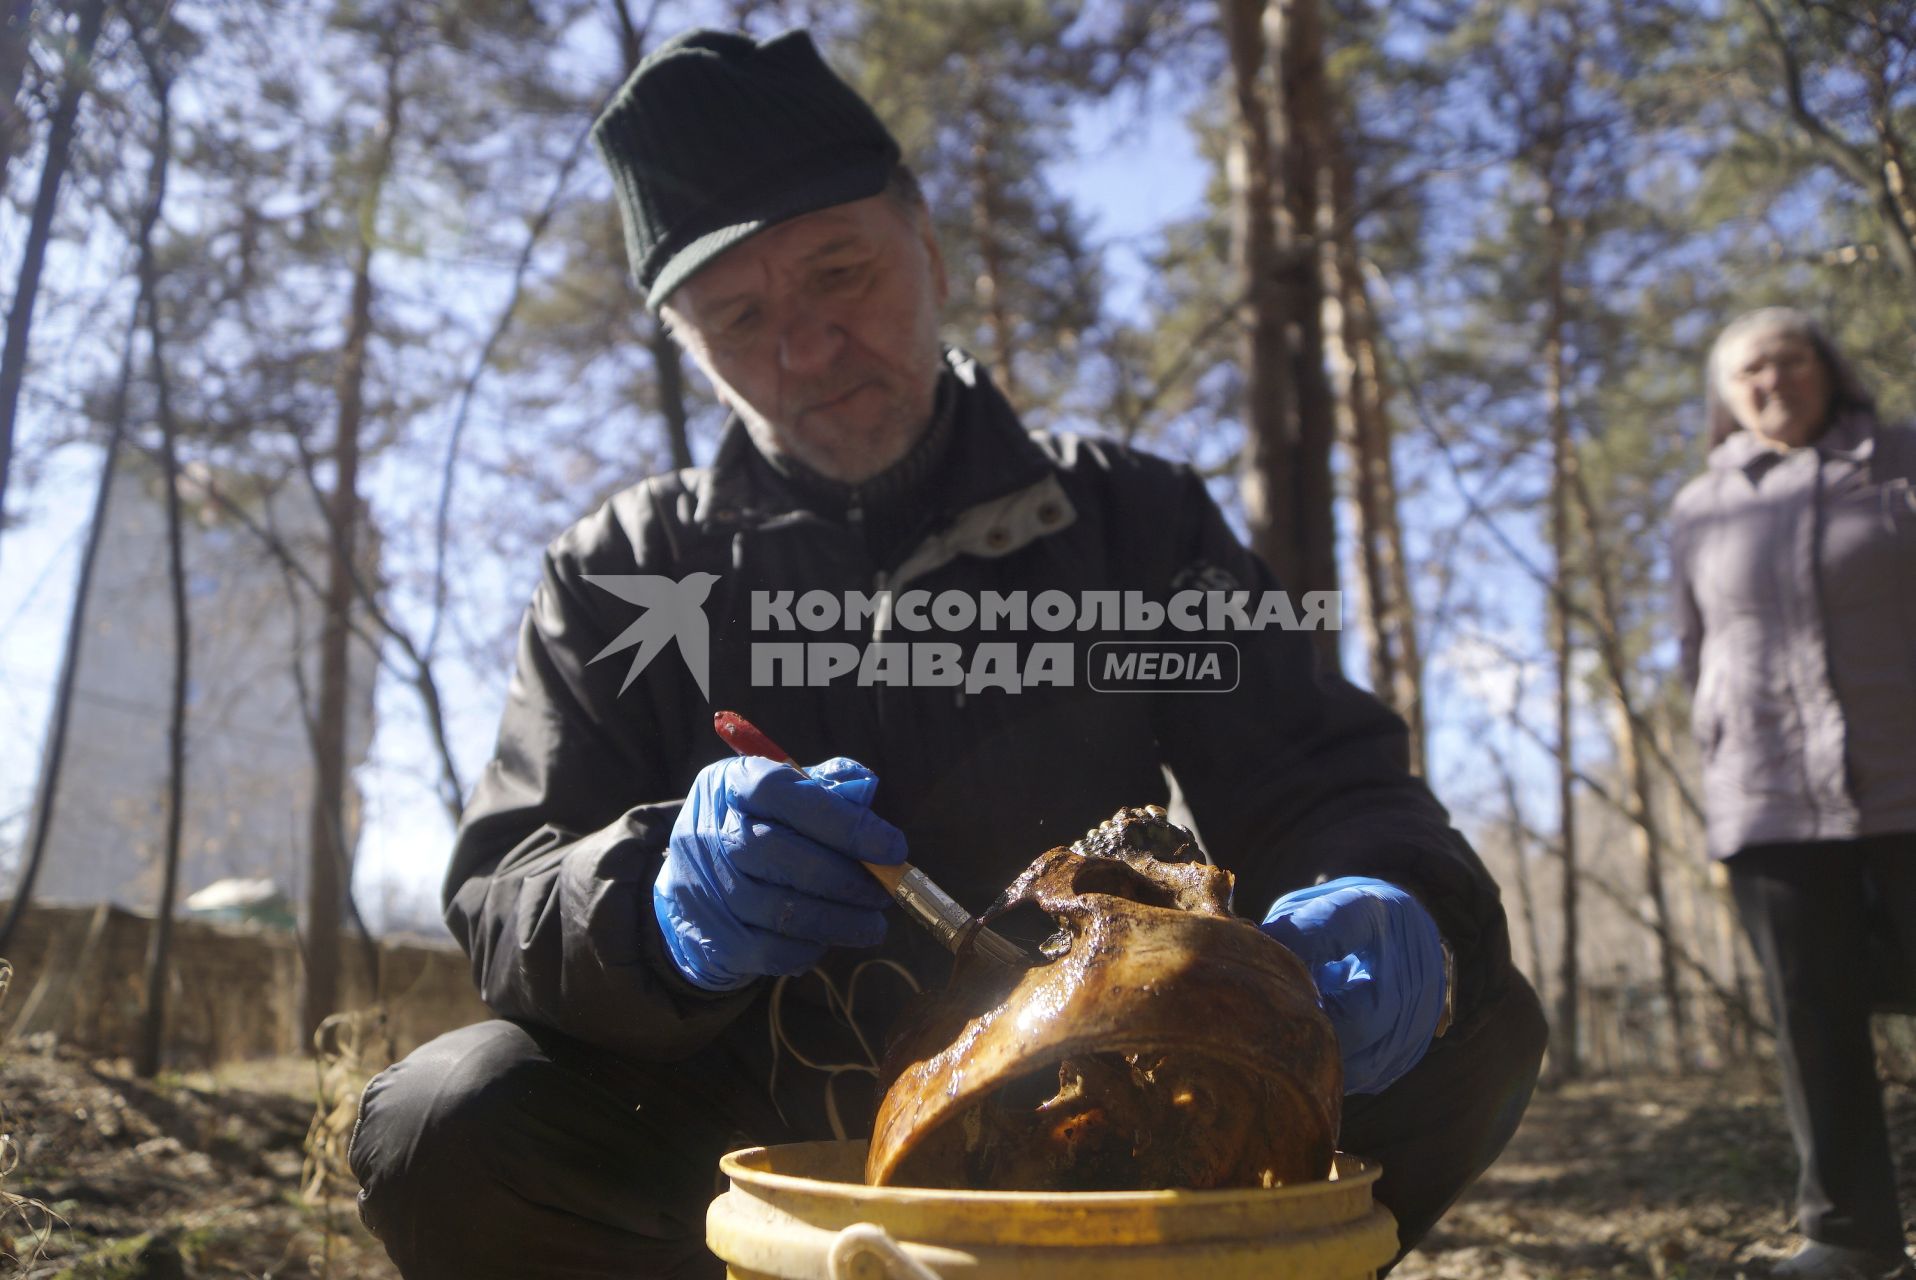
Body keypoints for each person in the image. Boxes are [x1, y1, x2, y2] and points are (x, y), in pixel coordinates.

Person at [346, 28, 1545, 1279]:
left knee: (1477, 1018)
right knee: (451, 1116)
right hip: (742, 1158)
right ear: (685, 343)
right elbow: (507, 888)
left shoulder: (1130, 523)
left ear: (926, 242)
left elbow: (1323, 777)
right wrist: (653, 905)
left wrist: (1386, 894)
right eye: (740, 315)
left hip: (1113, 1120)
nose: (807, 348)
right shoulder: (623, 569)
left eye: (839, 272)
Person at [1672, 307, 1916, 1280]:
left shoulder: (1896, 458)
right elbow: (1696, 652)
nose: (1771, 381)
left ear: (1828, 368)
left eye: (1789, 360)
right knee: (1809, 1011)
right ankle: (1848, 1237)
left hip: (1904, 776)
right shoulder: (1698, 503)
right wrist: (1715, 761)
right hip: (1765, 796)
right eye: (1748, 372)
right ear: (1725, 398)